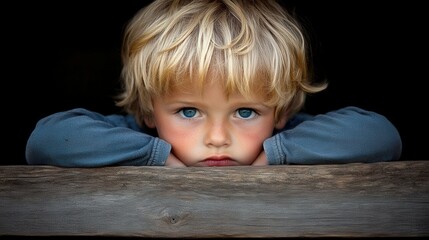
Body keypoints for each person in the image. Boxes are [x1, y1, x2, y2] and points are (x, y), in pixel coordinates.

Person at [25, 0, 402, 167]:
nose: (218, 137)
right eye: (189, 111)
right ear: (147, 111)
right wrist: (156, 158)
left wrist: (275, 155)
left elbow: (380, 135)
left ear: (282, 112)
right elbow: (47, 139)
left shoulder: (285, 139)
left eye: (245, 111)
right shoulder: (136, 137)